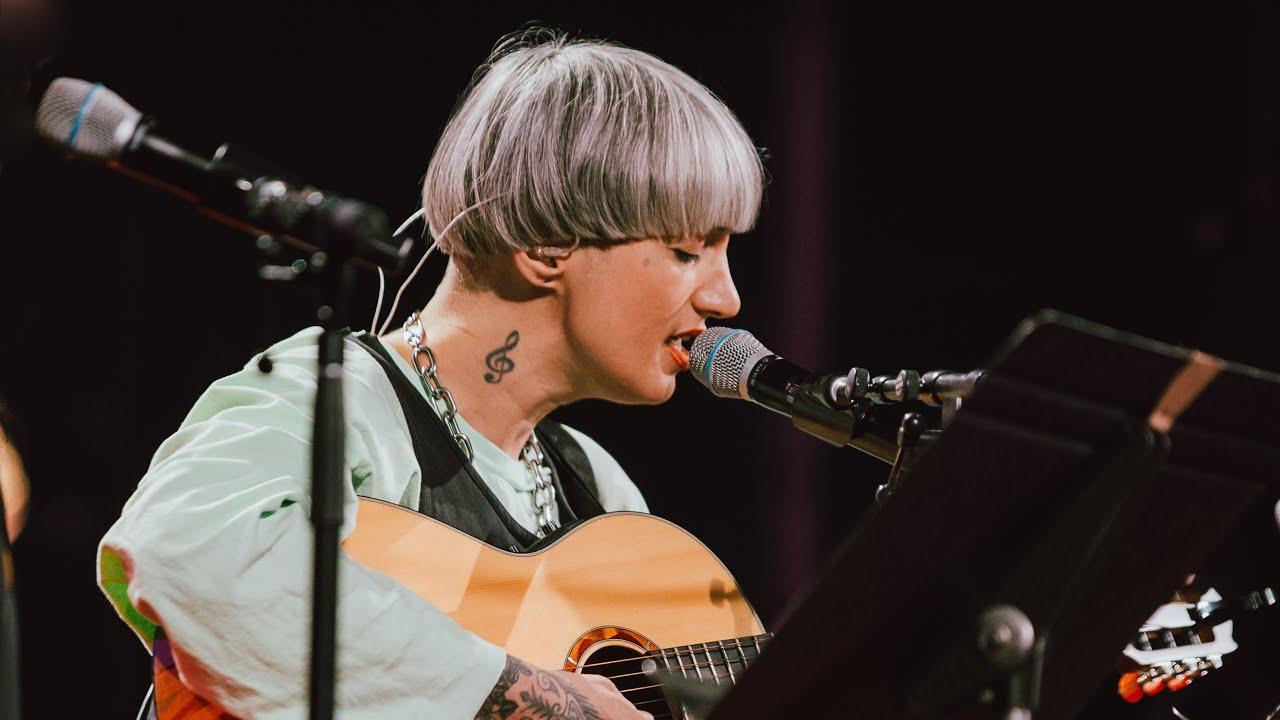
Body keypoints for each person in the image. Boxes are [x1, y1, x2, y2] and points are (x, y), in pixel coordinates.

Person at [98, 27, 763, 720]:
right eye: (689, 249)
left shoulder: (598, 491)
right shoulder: (336, 397)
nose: (725, 298)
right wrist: (539, 701)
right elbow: (196, 555)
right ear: (545, 245)